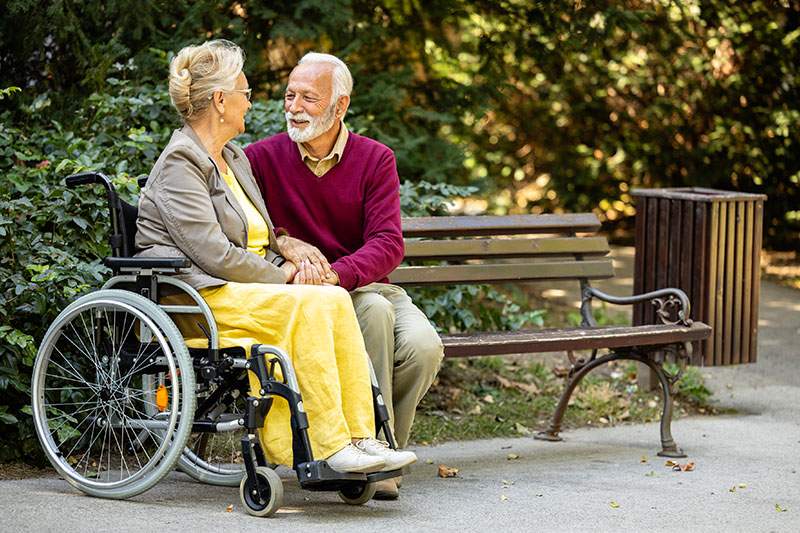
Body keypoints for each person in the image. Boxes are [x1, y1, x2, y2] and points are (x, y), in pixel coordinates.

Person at [135, 40, 416, 474]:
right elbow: (214, 254)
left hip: (240, 289)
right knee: (314, 303)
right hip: (201, 296)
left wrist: (283, 244)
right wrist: (283, 274)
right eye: (245, 92)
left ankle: (361, 435)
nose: (253, 102)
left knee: (333, 298)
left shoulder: (231, 158)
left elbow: (258, 231)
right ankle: (330, 444)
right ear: (220, 100)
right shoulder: (181, 163)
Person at [245, 52, 443, 499]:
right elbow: (245, 225)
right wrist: (283, 240)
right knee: (370, 314)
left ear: (340, 106)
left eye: (308, 99)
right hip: (310, 297)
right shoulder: (260, 158)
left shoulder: (374, 159)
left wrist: (337, 274)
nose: (294, 106)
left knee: (424, 347)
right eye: (289, 95)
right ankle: (370, 459)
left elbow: (389, 242)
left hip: (363, 283)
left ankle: (384, 448)